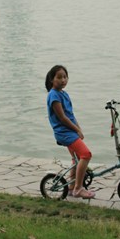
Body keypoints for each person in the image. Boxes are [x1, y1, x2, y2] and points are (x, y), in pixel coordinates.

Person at [45, 65, 95, 199]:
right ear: (52, 79)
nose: (63, 80)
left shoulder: (63, 93)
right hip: (64, 133)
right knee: (86, 155)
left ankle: (72, 187)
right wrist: (76, 129)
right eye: (59, 77)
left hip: (70, 131)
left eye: (65, 77)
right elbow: (62, 118)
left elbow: (71, 115)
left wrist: (79, 129)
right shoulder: (53, 95)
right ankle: (79, 188)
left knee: (77, 158)